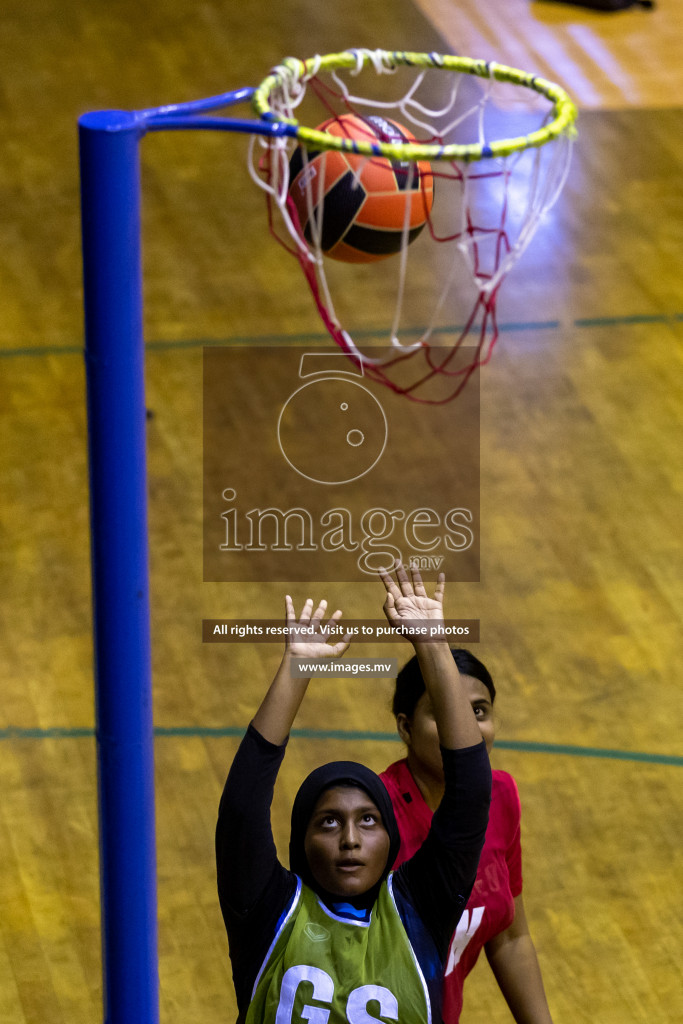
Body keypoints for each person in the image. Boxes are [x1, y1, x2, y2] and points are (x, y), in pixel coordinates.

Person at [216, 564, 491, 1023]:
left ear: (391, 838)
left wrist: (433, 646)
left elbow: (471, 793)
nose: (350, 839)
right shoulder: (268, 912)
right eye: (329, 821)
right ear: (302, 839)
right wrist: (296, 669)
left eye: (368, 820)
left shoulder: (419, 911)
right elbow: (242, 810)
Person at [381, 649, 554, 1023]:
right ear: (405, 727)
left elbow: (510, 939)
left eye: (478, 711)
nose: (465, 726)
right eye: (444, 710)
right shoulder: (372, 818)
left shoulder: (501, 796)